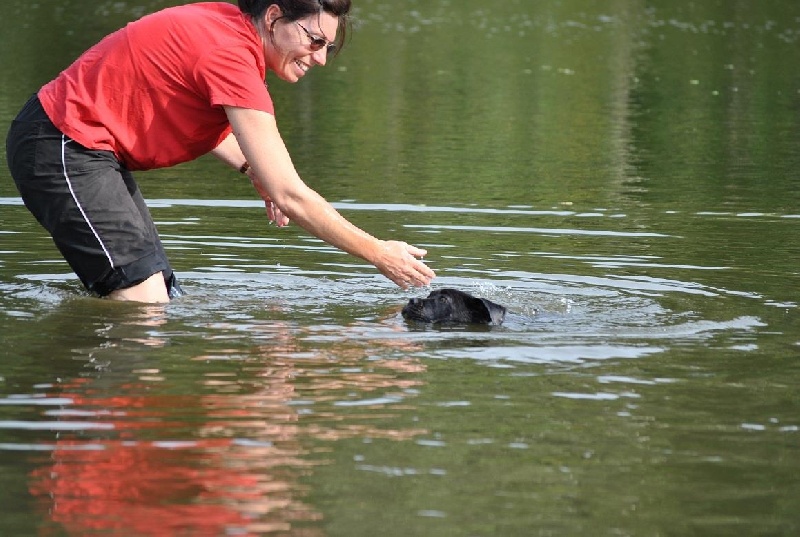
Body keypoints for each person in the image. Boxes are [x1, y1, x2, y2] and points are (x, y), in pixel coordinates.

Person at [5, 0, 435, 303]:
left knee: (161, 292)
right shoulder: (230, 55)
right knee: (143, 298)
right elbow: (291, 195)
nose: (320, 59)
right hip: (63, 143)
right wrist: (379, 253)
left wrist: (253, 168)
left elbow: (188, 108)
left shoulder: (229, 32)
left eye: (329, 47)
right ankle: (86, 423)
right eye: (315, 41)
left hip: (84, 148)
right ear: (273, 17)